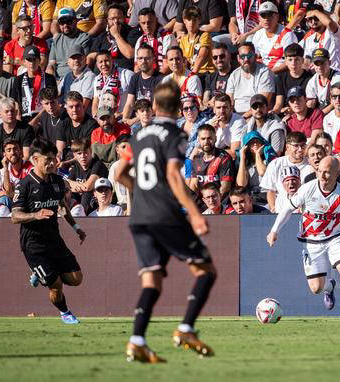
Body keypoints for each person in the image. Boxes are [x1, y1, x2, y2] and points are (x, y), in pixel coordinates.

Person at [115, 81, 217, 361]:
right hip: (164, 214)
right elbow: (174, 174)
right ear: (177, 107)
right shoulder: (176, 134)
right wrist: (195, 214)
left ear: (156, 106)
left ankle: (136, 340)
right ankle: (186, 328)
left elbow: (120, 173)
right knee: (205, 271)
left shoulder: (138, 135)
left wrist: (142, 190)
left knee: (152, 281)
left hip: (139, 217)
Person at [266, 156, 340, 322]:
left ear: (337, 173)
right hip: (311, 243)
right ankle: (328, 287)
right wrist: (274, 230)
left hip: (335, 239)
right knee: (316, 288)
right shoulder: (307, 189)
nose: (323, 176)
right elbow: (288, 209)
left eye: (328, 173)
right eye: (320, 172)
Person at [11, 138, 87, 324]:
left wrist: (76, 227)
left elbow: (61, 207)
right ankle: (65, 312)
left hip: (54, 240)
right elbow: (14, 216)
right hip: (33, 245)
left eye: (54, 159)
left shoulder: (57, 181)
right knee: (56, 285)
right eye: (48, 159)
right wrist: (35, 215)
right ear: (35, 159)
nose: (52, 163)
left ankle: (43, 273)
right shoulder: (25, 185)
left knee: (76, 279)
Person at [260, 131, 312, 212]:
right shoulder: (276, 164)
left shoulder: (310, 165)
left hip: (304, 210)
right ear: (287, 147)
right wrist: (273, 209)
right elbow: (270, 191)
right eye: (296, 146)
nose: (300, 149)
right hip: (281, 208)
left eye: (303, 145)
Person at [226, 42, 275, 117]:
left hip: (257, 114)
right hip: (235, 115)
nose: (246, 59)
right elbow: (229, 100)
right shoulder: (234, 75)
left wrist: (243, 117)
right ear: (238, 58)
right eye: (242, 56)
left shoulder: (265, 72)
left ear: (255, 56)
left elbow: (262, 102)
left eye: (249, 55)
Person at [13, 46, 57, 124]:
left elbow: (51, 102)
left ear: (39, 61)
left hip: (45, 118)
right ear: (24, 61)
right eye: (29, 60)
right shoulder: (18, 80)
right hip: (24, 118)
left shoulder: (49, 79)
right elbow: (15, 101)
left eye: (34, 59)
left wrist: (35, 121)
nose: (32, 63)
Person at [189, 124, 235, 198]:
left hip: (220, 202)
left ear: (215, 138)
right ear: (198, 140)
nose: (206, 142)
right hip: (203, 203)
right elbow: (194, 185)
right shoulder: (196, 159)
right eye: (203, 139)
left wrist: (210, 204)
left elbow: (225, 188)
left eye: (209, 138)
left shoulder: (224, 158)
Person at [122, 44, 163, 126]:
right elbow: (129, 104)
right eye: (140, 58)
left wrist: (133, 121)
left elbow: (154, 109)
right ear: (137, 60)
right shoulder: (135, 77)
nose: (143, 61)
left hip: (152, 118)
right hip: (137, 117)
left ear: (153, 59)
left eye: (147, 58)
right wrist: (125, 120)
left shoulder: (160, 79)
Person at [252, 1, 298, 74]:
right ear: (259, 18)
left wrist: (270, 72)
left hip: (281, 73)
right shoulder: (258, 34)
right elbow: (255, 57)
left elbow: (291, 61)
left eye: (270, 15)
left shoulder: (287, 34)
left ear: (277, 16)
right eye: (263, 15)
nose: (266, 18)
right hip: (263, 72)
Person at [89, 3, 138, 71]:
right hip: (103, 75)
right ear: (107, 20)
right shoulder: (102, 36)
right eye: (112, 18)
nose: (116, 21)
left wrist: (116, 35)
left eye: (119, 18)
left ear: (124, 18)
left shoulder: (133, 32)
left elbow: (130, 54)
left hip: (123, 74)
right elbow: (91, 56)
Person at [0, 98, 33, 169]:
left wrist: (14, 173)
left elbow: (26, 155)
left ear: (16, 112)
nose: (10, 114)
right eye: (6, 111)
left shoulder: (26, 129)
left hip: (22, 169)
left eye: (12, 111)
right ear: (0, 114)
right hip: (1, 170)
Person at [66, 137, 108, 214]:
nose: (83, 156)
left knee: (87, 193)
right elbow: (67, 184)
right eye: (79, 153)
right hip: (79, 202)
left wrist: (75, 186)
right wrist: (73, 187)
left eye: (85, 152)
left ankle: (82, 218)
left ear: (90, 151)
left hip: (97, 201)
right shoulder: (75, 168)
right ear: (74, 155)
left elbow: (88, 187)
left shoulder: (98, 165)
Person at [299, 3, 340, 73]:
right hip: (316, 75)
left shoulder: (333, 33)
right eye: (310, 19)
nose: (313, 22)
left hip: (333, 74)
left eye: (316, 18)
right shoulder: (309, 39)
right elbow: (307, 61)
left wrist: (315, 12)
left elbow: (329, 23)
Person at [47, 7, 91, 80]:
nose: (65, 25)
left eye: (69, 21)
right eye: (62, 22)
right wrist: (52, 79)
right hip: (57, 78)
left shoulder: (84, 38)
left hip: (75, 77)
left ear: (76, 21)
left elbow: (82, 64)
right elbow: (51, 63)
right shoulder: (57, 39)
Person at [305, 48, 340, 115]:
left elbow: (336, 102)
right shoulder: (312, 81)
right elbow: (311, 103)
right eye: (317, 64)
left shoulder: (338, 78)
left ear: (329, 62)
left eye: (322, 63)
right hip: (325, 114)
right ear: (313, 65)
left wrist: (318, 117)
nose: (319, 67)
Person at [235, 130, 276, 204]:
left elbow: (262, 172)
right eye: (252, 142)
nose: (255, 144)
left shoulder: (268, 159)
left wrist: (257, 155)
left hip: (268, 196)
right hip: (252, 198)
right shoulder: (247, 164)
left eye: (257, 141)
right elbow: (241, 184)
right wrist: (242, 158)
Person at [56, 91, 98, 160]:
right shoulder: (63, 123)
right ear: (66, 109)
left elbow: (86, 154)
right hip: (66, 160)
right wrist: (58, 158)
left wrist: (67, 163)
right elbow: (60, 151)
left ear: (83, 107)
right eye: (71, 107)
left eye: (77, 106)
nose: (74, 110)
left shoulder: (91, 125)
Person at [272, 44, 311, 115]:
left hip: (304, 113)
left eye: (297, 60)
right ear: (286, 62)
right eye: (290, 60)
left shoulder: (310, 78)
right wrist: (273, 112)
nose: (293, 63)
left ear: (302, 60)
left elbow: (309, 103)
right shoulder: (280, 78)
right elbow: (278, 103)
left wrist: (293, 111)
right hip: (285, 113)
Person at [91, 50, 133, 116]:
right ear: (97, 64)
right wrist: (96, 117)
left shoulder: (127, 74)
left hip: (123, 118)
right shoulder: (97, 79)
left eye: (107, 60)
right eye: (100, 62)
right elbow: (95, 102)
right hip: (104, 119)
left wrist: (123, 114)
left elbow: (136, 99)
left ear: (112, 60)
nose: (104, 64)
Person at [207, 93, 246, 158]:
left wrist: (210, 152)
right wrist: (211, 132)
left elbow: (234, 153)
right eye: (218, 107)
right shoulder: (211, 123)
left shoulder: (238, 122)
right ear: (214, 109)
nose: (222, 111)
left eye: (225, 107)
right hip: (216, 157)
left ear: (231, 108)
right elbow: (200, 148)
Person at [179, 6, 214, 76]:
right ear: (184, 21)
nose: (191, 23)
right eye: (189, 20)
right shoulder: (183, 40)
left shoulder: (204, 35)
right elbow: (183, 61)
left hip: (206, 73)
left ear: (199, 20)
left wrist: (192, 75)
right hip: (191, 73)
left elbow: (201, 56)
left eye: (194, 20)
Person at [58, 45, 96, 109]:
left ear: (85, 59)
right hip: (66, 111)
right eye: (73, 58)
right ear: (68, 62)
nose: (76, 60)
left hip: (78, 115)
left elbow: (83, 106)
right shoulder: (67, 76)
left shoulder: (90, 76)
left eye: (79, 57)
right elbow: (57, 94)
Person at [203, 43, 234, 108]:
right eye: (215, 57)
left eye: (222, 56)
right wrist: (209, 103)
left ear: (229, 56)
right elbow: (205, 101)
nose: (218, 60)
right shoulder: (210, 77)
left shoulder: (236, 75)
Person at [107, 134, 131, 211]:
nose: (127, 150)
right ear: (117, 150)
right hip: (121, 205)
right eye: (123, 147)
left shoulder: (139, 164)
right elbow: (110, 190)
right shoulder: (115, 167)